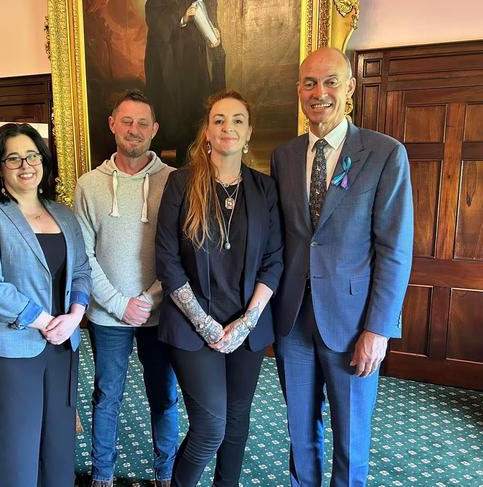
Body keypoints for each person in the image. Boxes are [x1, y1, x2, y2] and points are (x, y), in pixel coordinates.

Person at [271, 47, 414, 486]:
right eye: (310, 83)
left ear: (350, 88)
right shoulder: (284, 155)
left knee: (350, 436)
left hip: (354, 325)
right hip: (293, 319)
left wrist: (379, 329)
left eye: (331, 81)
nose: (320, 92)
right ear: (299, 90)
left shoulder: (384, 153)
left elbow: (394, 249)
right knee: (300, 430)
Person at [156, 91, 283, 486]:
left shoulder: (265, 189)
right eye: (219, 120)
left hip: (247, 331)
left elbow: (274, 260)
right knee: (210, 427)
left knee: (237, 424)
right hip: (192, 330)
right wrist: (205, 324)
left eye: (238, 120)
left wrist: (245, 323)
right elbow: (167, 260)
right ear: (207, 132)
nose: (228, 127)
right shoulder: (180, 183)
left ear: (249, 134)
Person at [0, 123, 92, 487]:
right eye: (13, 158)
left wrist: (75, 316)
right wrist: (45, 320)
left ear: (43, 161)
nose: (25, 165)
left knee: (58, 453)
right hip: (9, 348)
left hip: (63, 346)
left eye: (32, 155)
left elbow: (81, 271)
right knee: (14, 457)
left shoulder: (63, 214)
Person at [74, 90, 179, 487]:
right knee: (107, 397)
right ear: (113, 125)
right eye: (127, 121)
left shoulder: (174, 182)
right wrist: (120, 304)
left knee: (164, 397)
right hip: (107, 314)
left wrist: (148, 299)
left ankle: (165, 475)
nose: (134, 130)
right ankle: (102, 476)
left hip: (161, 311)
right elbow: (84, 255)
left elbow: (179, 253)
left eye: (142, 123)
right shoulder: (89, 185)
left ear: (154, 130)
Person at [145, 0, 225, 166]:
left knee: (193, 127)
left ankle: (188, 175)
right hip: (168, 69)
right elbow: (155, 20)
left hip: (195, 68)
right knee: (164, 124)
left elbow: (210, 21)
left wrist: (214, 35)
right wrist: (182, 18)